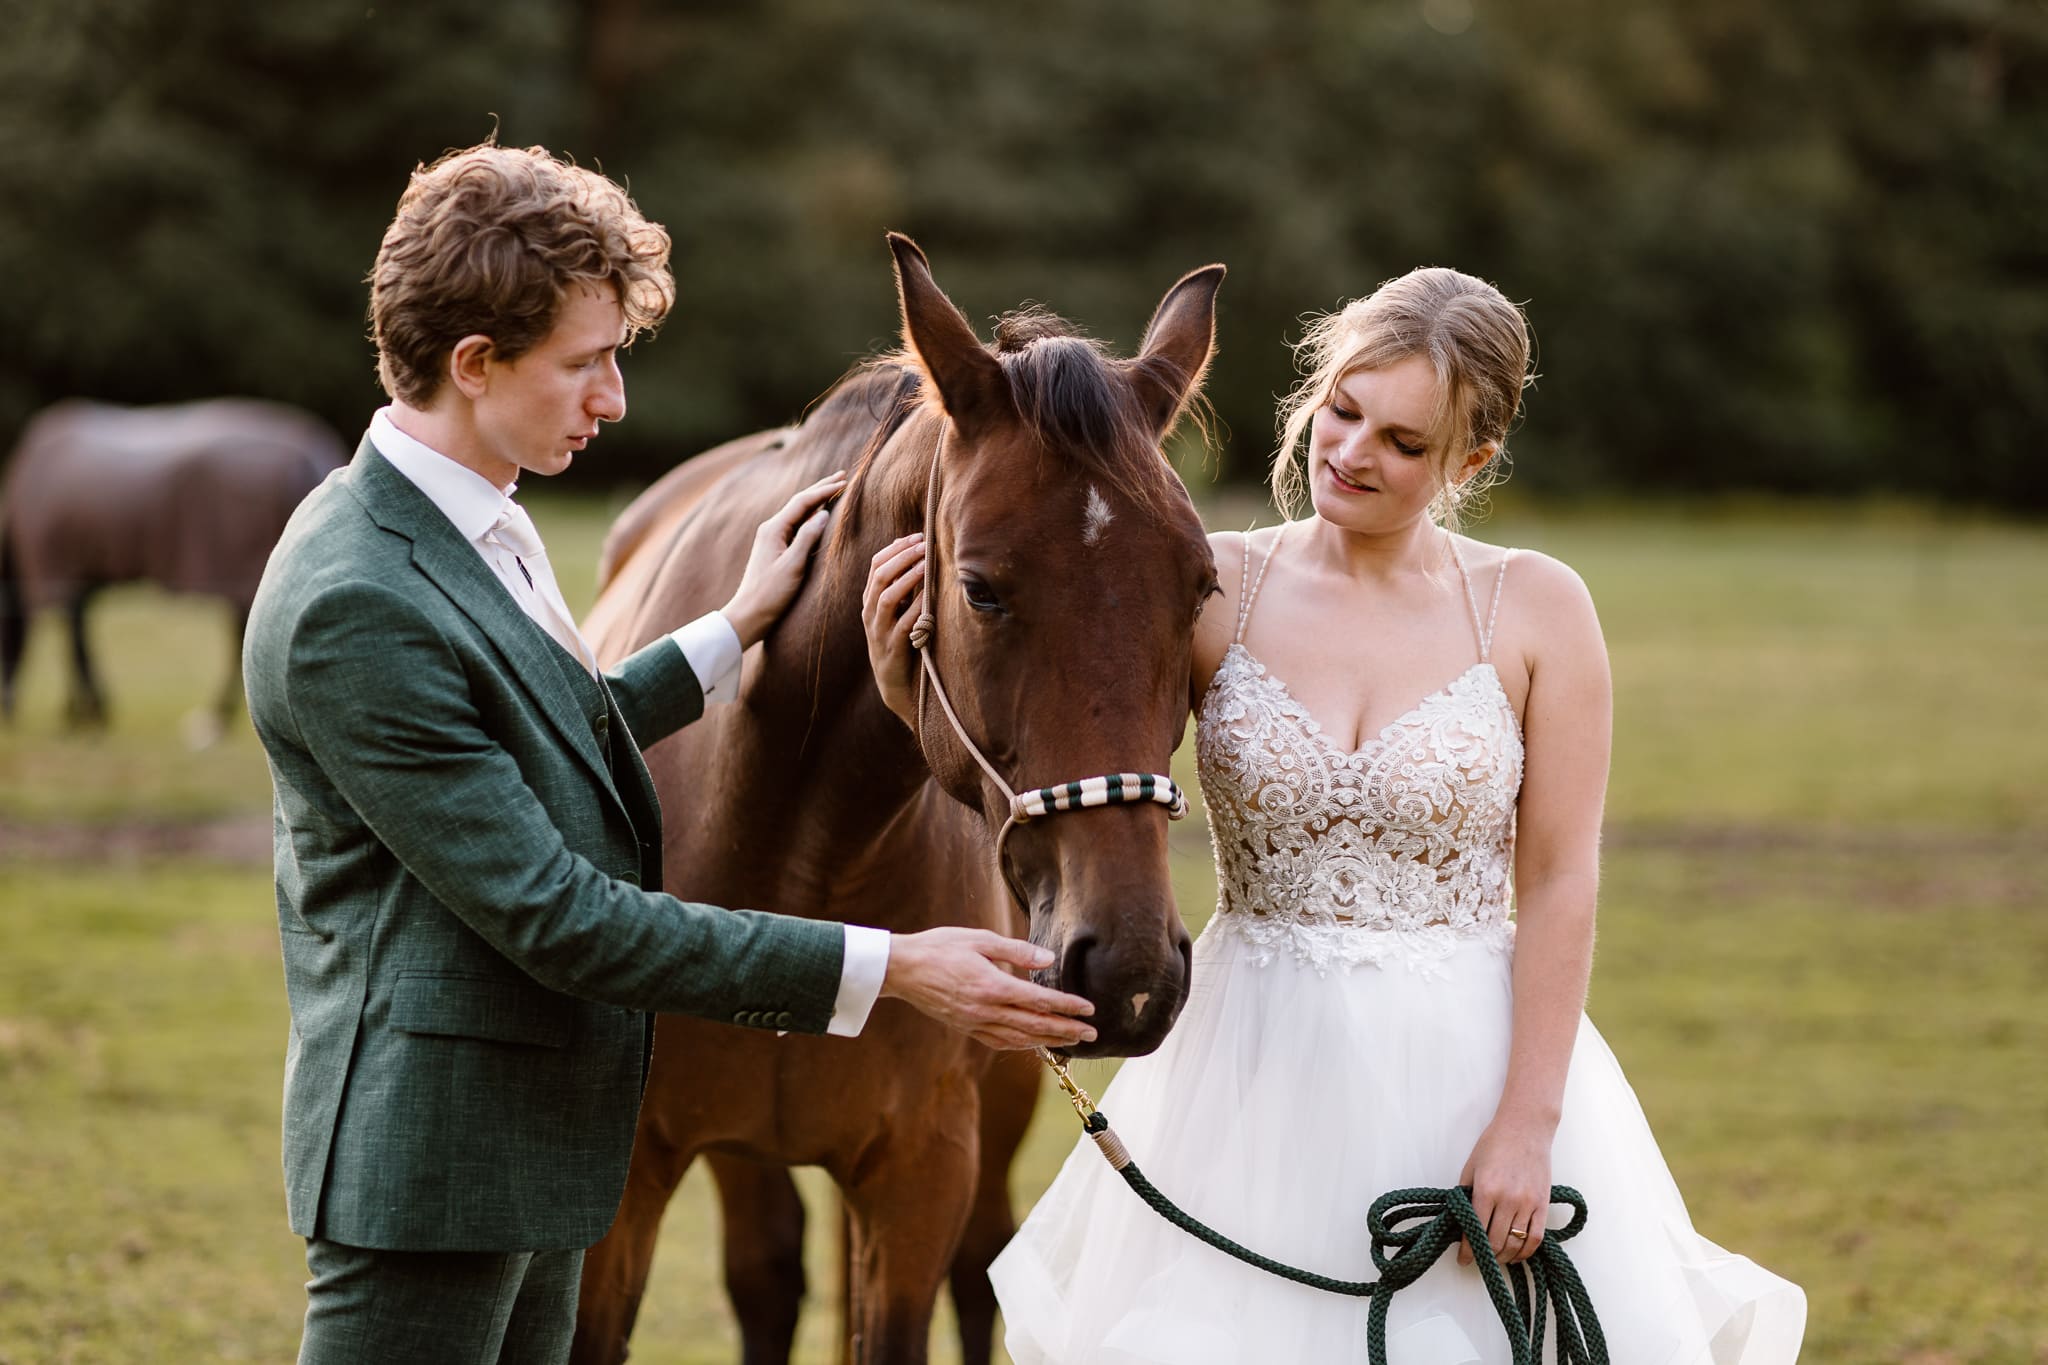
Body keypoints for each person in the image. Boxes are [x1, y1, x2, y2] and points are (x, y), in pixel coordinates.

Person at [241, 140, 1097, 1365]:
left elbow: (534, 735)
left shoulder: (473, 516)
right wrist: (895, 966)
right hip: (436, 1165)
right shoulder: (355, 599)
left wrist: (733, 631)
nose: (614, 401)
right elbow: (560, 918)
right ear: (475, 364)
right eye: (585, 366)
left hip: (536, 1141)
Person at [864, 267, 1807, 1361]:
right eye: (1341, 414)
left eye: (1403, 443)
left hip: (1468, 1066)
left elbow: (1558, 881)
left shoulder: (1536, 609)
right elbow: (1076, 761)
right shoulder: (1208, 590)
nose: (1352, 454)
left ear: (1469, 461)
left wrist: (1525, 1125)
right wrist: (912, 698)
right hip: (1244, 1075)